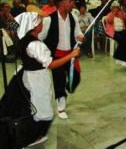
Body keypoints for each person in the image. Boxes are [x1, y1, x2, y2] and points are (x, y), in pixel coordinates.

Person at [0, 12, 80, 148]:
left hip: (28, 74)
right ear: (34, 26)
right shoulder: (34, 45)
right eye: (40, 23)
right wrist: (71, 55)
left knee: (34, 105)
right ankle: (30, 137)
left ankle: (32, 134)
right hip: (36, 78)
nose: (42, 24)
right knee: (43, 110)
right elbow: (51, 64)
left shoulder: (24, 37)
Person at [39, 0, 84, 120]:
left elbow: (78, 33)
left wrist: (81, 37)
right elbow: (40, 37)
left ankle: (64, 92)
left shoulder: (73, 17)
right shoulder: (49, 20)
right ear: (62, 3)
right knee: (59, 80)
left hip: (70, 54)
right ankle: (61, 105)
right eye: (70, 1)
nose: (73, 4)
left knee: (75, 79)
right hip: (57, 56)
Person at [104, 1, 126, 72]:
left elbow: (125, 17)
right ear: (112, 8)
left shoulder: (120, 13)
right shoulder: (109, 14)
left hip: (122, 30)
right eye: (114, 8)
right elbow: (110, 20)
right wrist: (114, 13)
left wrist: (121, 11)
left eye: (117, 8)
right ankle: (125, 60)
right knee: (124, 42)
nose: (116, 9)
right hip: (114, 32)